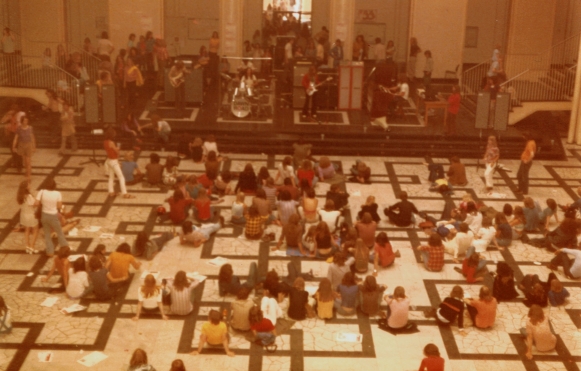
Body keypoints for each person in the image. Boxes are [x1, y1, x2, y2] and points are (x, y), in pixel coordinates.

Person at [35, 178, 67, 257]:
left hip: (44, 215)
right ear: (54, 186)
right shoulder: (57, 193)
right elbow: (59, 206)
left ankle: (50, 252)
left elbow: (36, 203)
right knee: (59, 232)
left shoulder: (41, 192)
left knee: (47, 234)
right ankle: (65, 248)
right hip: (53, 215)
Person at [104, 129, 133, 198]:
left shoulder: (105, 142)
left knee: (111, 177)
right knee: (121, 177)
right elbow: (116, 152)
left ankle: (111, 191)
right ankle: (124, 193)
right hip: (114, 161)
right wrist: (118, 149)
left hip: (109, 160)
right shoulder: (111, 142)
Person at [17, 180, 39, 253]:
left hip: (23, 215)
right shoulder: (28, 196)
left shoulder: (20, 196)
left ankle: (27, 246)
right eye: (29, 185)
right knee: (35, 230)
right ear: (26, 187)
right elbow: (35, 204)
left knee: (27, 230)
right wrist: (37, 199)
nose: (30, 186)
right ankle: (32, 246)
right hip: (31, 215)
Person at [12, 115, 35, 181]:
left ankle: (29, 177)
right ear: (22, 121)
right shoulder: (19, 128)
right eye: (24, 120)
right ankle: (27, 172)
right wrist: (13, 146)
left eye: (27, 120)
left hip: (28, 145)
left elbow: (32, 137)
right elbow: (16, 138)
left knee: (28, 161)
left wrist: (34, 146)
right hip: (21, 145)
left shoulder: (30, 128)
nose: (26, 122)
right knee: (25, 161)